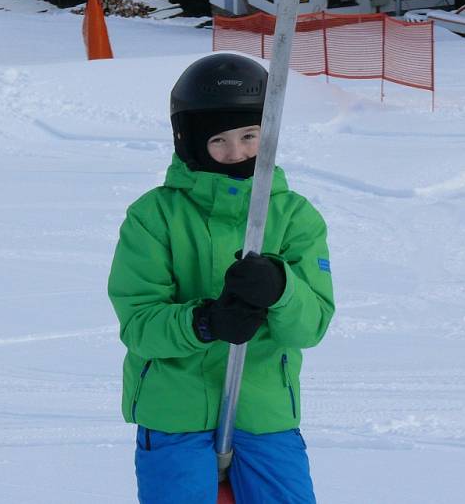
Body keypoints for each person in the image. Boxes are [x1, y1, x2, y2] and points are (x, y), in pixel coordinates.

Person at [108, 53, 335, 503]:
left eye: (250, 135)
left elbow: (312, 326)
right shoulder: (154, 217)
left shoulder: (294, 217)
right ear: (189, 141)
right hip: (174, 410)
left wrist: (280, 287)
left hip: (264, 409)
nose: (237, 153)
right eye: (219, 140)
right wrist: (205, 323)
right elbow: (139, 325)